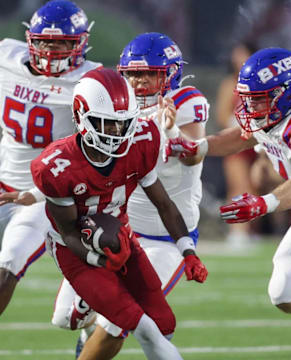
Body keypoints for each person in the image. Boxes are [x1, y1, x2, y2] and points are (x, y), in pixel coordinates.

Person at [165, 47, 291, 359]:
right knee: (284, 290)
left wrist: (262, 204)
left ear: (286, 92)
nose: (249, 105)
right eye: (249, 96)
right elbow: (238, 137)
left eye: (258, 97)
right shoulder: (272, 113)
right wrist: (196, 147)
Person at [48, 32, 210, 359]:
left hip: (166, 237)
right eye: (133, 74)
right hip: (117, 229)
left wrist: (171, 131)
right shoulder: (116, 105)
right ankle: (89, 326)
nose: (138, 83)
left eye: (149, 74)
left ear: (171, 74)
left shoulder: (185, 102)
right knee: (66, 318)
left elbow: (193, 152)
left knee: (117, 325)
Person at [0, 0, 102, 317]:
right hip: (4, 181)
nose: (51, 49)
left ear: (81, 43)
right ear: (31, 39)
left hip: (43, 196)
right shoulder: (6, 57)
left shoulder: (92, 82)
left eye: (62, 42)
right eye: (44, 41)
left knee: (10, 261)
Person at [215, 41, 258, 249]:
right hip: (236, 143)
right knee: (239, 186)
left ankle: (249, 229)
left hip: (257, 144)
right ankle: (236, 230)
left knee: (255, 186)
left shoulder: (260, 83)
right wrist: (239, 123)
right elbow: (222, 116)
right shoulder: (229, 84)